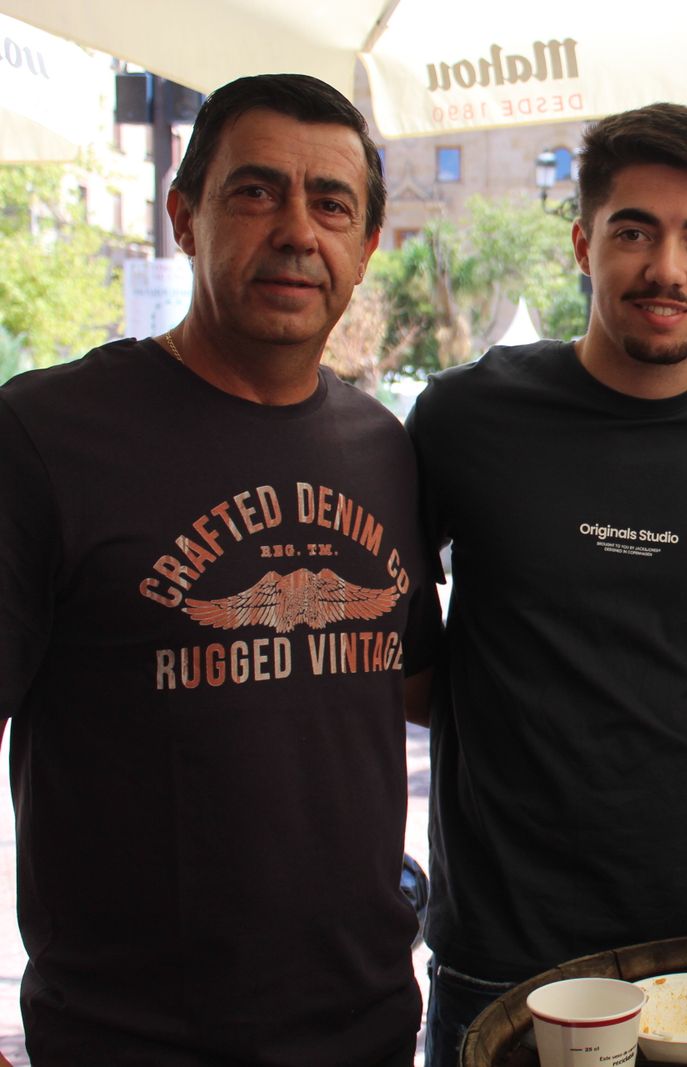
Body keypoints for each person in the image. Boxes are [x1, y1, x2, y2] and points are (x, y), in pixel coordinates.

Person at [0, 74, 436, 1065]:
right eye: (255, 192)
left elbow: (404, 685)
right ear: (184, 215)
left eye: (332, 204)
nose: (296, 230)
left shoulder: (384, 447)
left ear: (368, 248)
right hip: (129, 1039)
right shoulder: (43, 436)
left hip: (367, 1023)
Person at [406, 103, 687, 1065]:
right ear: (584, 243)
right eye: (634, 231)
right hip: (494, 952)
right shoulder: (464, 418)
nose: (666, 268)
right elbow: (403, 657)